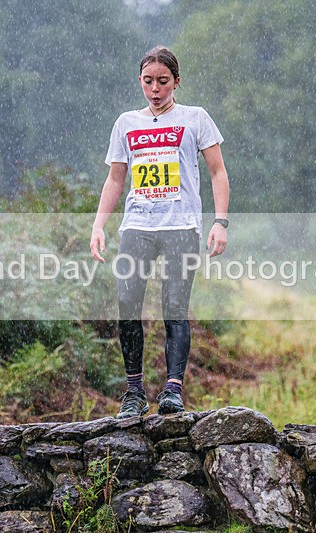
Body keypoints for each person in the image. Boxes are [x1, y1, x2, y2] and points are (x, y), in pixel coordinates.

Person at [90, 46, 230, 418]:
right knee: (127, 305)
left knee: (174, 309)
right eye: (149, 82)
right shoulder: (126, 123)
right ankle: (134, 392)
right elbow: (115, 178)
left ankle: (172, 390)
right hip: (137, 225)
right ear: (140, 81)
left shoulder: (195, 118)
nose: (155, 89)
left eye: (163, 82)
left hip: (181, 225)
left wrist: (220, 221)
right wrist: (98, 224)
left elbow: (217, 171)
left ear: (177, 82)